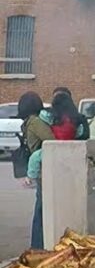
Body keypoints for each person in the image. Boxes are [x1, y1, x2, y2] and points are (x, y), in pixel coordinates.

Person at [17, 92, 54, 250]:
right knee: (41, 212)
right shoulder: (35, 122)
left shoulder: (27, 122)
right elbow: (52, 141)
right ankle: (37, 247)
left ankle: (36, 246)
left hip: (40, 171)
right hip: (44, 171)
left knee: (40, 211)